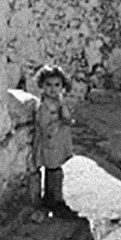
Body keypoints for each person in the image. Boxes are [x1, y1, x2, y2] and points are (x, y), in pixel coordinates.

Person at [30, 64, 76, 218]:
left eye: (57, 85)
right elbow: (44, 126)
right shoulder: (45, 106)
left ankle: (53, 199)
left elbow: (67, 118)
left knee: (56, 171)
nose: (53, 89)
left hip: (58, 142)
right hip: (50, 143)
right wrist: (59, 123)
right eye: (48, 85)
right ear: (42, 86)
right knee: (53, 170)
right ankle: (54, 201)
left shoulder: (58, 102)